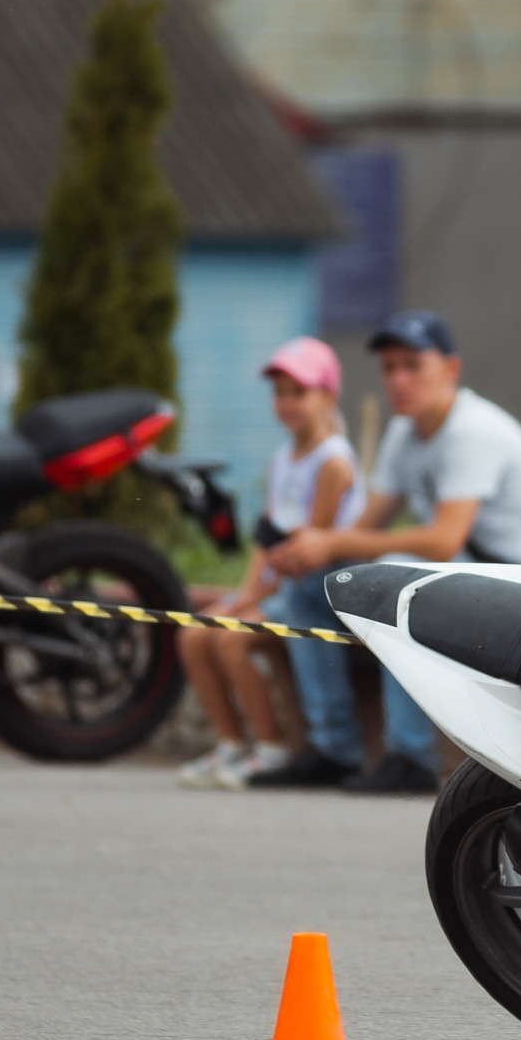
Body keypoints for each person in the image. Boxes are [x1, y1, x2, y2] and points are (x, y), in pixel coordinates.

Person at [260, 310, 521, 795]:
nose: (398, 379)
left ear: (450, 369)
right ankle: (334, 748)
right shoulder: (404, 431)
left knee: (395, 581)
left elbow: (443, 539)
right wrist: (316, 557)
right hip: (467, 583)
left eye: (412, 365)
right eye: (389, 368)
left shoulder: (472, 430)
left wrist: (334, 542)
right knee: (315, 591)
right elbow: (366, 527)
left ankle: (411, 758)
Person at [173, 337, 366, 788]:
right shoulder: (281, 458)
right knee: (192, 635)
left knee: (229, 640)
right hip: (279, 589)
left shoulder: (334, 464)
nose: (286, 403)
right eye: (279, 393)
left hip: (315, 593)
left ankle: (271, 747)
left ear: (328, 396)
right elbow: (266, 539)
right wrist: (243, 594)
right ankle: (229, 743)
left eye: (298, 392)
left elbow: (304, 553)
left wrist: (252, 602)